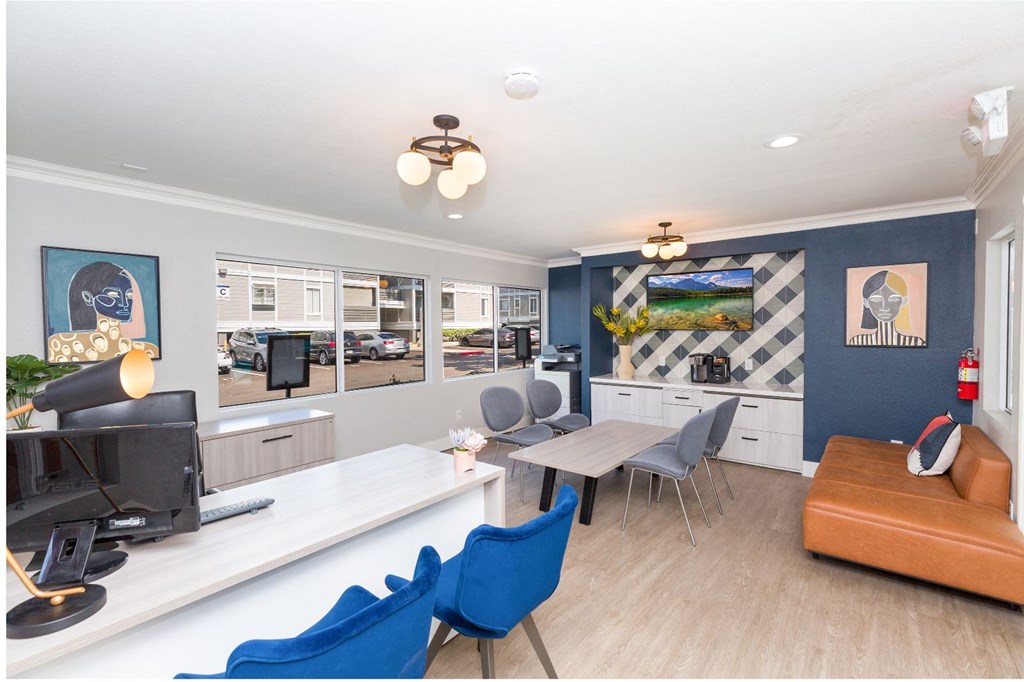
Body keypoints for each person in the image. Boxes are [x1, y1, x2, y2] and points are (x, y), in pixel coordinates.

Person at [47, 261, 159, 362]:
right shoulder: (61, 345)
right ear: (88, 298)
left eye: (129, 295)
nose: (124, 304)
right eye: (113, 295)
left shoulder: (149, 351)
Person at [848, 269, 925, 346]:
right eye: (876, 299)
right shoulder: (857, 341)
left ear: (904, 301)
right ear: (866, 303)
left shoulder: (916, 342)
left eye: (893, 299)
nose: (884, 307)